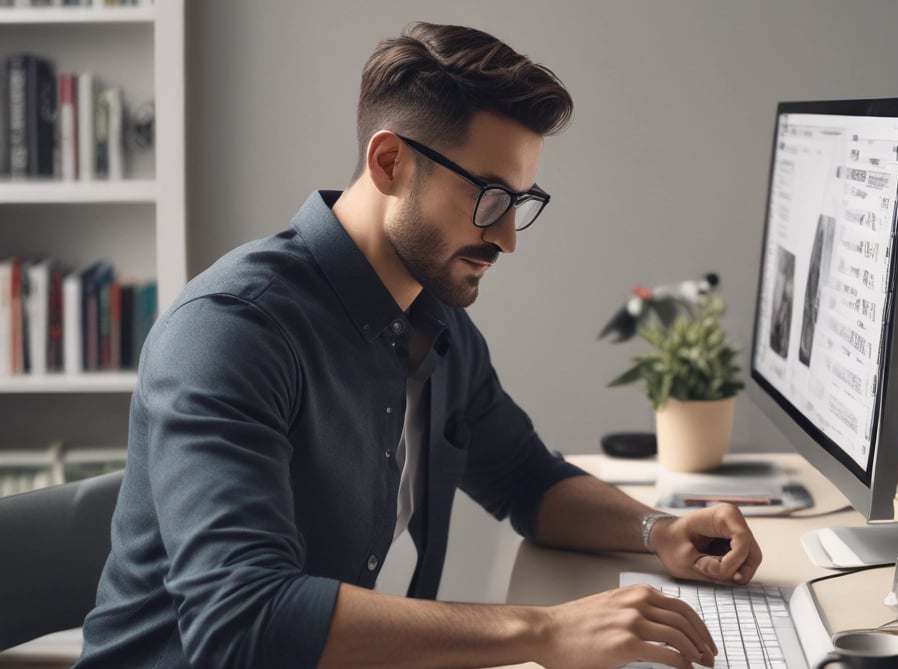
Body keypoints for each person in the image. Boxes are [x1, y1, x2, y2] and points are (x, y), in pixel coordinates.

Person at [75, 21, 762, 669]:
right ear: (389, 162)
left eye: (520, 203)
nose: (507, 238)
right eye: (489, 197)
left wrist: (657, 531)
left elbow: (525, 477)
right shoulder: (231, 332)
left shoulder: (434, 319)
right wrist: (545, 630)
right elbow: (242, 623)